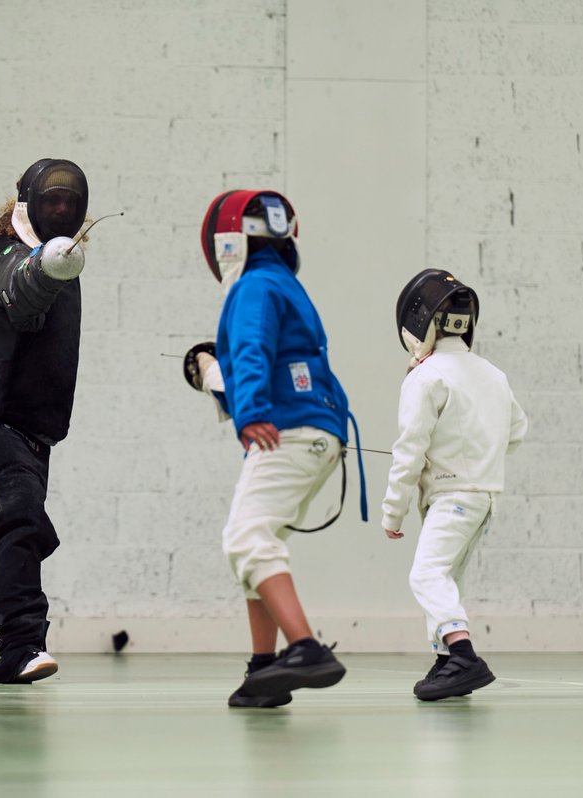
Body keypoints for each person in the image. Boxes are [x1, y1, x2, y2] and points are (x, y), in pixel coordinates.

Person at [191, 189, 366, 709]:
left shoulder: (253, 286)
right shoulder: (286, 283)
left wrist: (251, 414)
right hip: (317, 433)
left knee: (246, 539)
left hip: (285, 427)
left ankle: (306, 650)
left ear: (226, 241)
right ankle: (263, 670)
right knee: (259, 541)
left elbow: (251, 349)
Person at [0, 158, 90, 684]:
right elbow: (20, 291)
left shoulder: (62, 258)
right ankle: (21, 645)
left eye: (69, 201)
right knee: (19, 517)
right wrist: (45, 269)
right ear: (29, 202)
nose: (60, 209)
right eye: (50, 200)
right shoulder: (8, 256)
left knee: (2, 519)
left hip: (32, 429)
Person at [382, 269, 527, 701]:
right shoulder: (492, 374)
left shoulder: (425, 377)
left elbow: (408, 450)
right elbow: (517, 430)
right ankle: (447, 663)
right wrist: (476, 451)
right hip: (484, 498)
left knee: (426, 574)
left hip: (453, 498)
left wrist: (393, 511)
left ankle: (463, 655)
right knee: (447, 577)